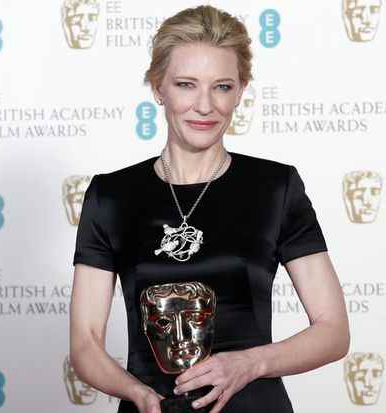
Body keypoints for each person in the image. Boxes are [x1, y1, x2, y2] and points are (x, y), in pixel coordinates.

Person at [69, 5, 349, 413]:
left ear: (240, 91)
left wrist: (250, 363)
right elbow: (85, 342)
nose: (205, 106)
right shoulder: (110, 195)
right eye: (186, 85)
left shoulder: (275, 187)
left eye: (222, 87)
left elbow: (333, 331)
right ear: (158, 87)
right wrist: (138, 394)